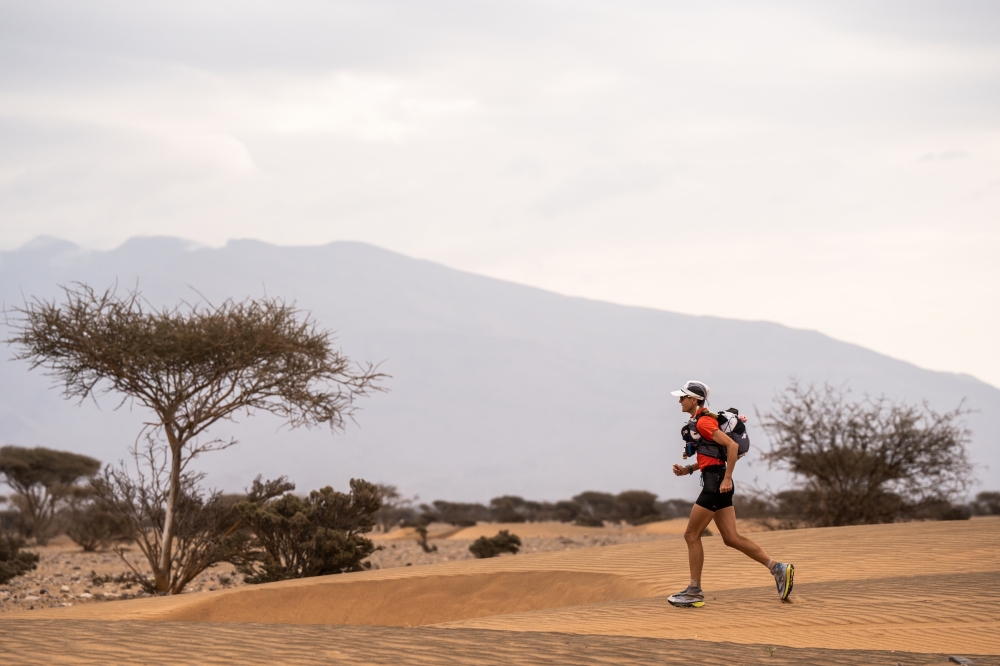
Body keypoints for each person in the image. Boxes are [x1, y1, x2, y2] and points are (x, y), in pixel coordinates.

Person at [666, 380, 794, 607]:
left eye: (683, 397)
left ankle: (694, 591)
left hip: (716, 483)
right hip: (717, 479)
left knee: (691, 535)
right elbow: (712, 456)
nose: (679, 401)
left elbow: (732, 448)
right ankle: (777, 568)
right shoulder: (702, 421)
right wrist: (688, 469)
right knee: (731, 538)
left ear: (694, 400)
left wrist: (726, 478)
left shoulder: (704, 422)